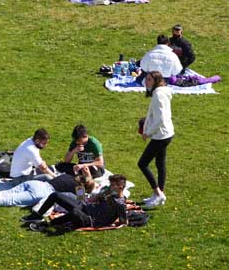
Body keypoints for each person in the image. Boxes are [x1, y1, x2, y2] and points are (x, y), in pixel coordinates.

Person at [30, 174, 130, 231]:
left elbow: (123, 221)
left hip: (89, 219)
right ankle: (38, 215)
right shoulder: (109, 194)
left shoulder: (120, 203)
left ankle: (47, 224)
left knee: (75, 212)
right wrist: (102, 194)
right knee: (56, 195)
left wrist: (110, 222)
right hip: (85, 207)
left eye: (112, 185)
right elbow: (93, 199)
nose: (110, 187)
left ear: (120, 187)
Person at [138, 71, 173, 208]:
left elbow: (160, 119)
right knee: (160, 164)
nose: (146, 82)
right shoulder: (162, 92)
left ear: (156, 81)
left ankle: (158, 193)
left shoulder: (158, 95)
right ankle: (159, 194)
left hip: (160, 135)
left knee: (142, 163)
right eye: (146, 79)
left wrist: (147, 133)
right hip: (167, 133)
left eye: (149, 80)